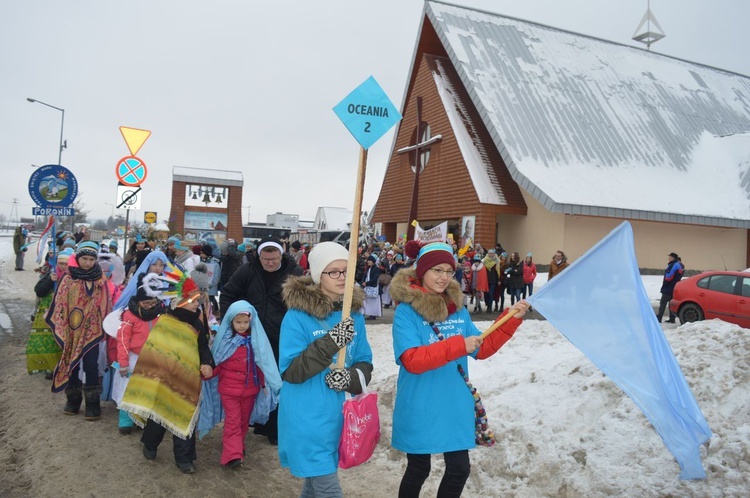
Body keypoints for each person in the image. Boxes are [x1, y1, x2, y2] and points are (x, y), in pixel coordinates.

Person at [389, 241, 530, 498]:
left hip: (454, 403)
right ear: (422, 272)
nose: (444, 277)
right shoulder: (406, 313)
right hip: (421, 403)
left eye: (448, 271)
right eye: (437, 271)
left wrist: (509, 320)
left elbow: (481, 347)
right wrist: (457, 346)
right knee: (419, 468)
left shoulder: (457, 310)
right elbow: (412, 360)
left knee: (459, 469)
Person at [278, 242, 373, 497]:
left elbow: (364, 361)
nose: (342, 277)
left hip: (338, 417)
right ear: (319, 275)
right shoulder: (297, 317)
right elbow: (291, 371)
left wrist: (351, 377)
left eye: (346, 271)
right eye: (334, 272)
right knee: (328, 489)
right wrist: (331, 342)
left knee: (314, 486)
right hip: (307, 417)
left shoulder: (354, 315)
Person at [119, 275, 215, 474]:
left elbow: (203, 347)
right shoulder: (166, 321)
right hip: (163, 377)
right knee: (160, 412)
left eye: (198, 300)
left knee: (185, 414)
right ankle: (150, 443)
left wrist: (206, 363)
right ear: (180, 301)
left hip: (187, 377)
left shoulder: (198, 323)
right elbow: (155, 350)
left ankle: (184, 458)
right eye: (193, 300)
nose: (197, 303)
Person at [219, 237, 302, 445]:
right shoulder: (248, 270)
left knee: (278, 381)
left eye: (274, 259)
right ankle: (257, 422)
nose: (270, 263)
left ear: (281, 256)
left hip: (282, 336)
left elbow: (303, 305)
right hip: (252, 337)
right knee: (253, 381)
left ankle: (275, 428)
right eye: (266, 259)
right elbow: (228, 293)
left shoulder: (294, 273)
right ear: (259, 256)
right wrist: (231, 322)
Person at [202, 301, 282, 468]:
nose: (242, 326)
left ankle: (238, 445)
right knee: (232, 420)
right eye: (238, 322)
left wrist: (264, 384)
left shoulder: (256, 342)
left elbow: (262, 364)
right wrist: (208, 374)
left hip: (250, 390)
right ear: (231, 321)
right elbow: (218, 362)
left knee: (243, 421)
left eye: (246, 322)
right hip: (229, 391)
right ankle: (232, 455)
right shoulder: (225, 342)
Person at [46, 241, 113, 420]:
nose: (88, 263)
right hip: (72, 330)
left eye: (92, 259)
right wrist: (64, 324)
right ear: (78, 258)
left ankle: (92, 404)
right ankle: (73, 400)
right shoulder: (68, 278)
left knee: (92, 365)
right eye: (84, 258)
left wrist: (102, 320)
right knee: (72, 364)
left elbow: (106, 303)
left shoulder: (100, 279)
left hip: (92, 329)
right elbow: (60, 303)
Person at [112, 273, 167, 435]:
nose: (149, 306)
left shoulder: (161, 315)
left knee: (149, 387)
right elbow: (122, 340)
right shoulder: (130, 316)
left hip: (153, 357)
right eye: (146, 303)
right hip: (134, 358)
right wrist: (123, 362)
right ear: (139, 301)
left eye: (152, 302)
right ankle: (126, 419)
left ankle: (143, 417)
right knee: (128, 388)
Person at [27, 248, 72, 375]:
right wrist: (50, 281)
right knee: (49, 340)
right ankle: (51, 367)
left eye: (66, 264)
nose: (63, 266)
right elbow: (39, 291)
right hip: (48, 311)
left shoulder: (74, 277)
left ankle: (63, 369)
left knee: (63, 341)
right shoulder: (51, 274)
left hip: (65, 313)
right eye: (60, 263)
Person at [656, 252, 684, 323]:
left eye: (669, 257)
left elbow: (668, 277)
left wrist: (666, 283)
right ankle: (672, 318)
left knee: (663, 303)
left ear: (672, 258)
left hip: (668, 287)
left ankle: (659, 317)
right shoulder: (679, 265)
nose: (668, 258)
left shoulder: (673, 265)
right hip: (674, 287)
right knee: (671, 303)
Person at [360, 254, 382, 320]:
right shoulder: (368, 268)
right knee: (367, 301)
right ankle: (366, 313)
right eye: (368, 260)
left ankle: (373, 314)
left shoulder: (376, 269)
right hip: (367, 287)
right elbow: (364, 276)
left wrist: (367, 283)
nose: (368, 262)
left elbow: (375, 279)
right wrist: (363, 282)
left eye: (370, 260)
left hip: (373, 287)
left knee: (374, 303)